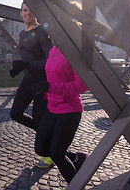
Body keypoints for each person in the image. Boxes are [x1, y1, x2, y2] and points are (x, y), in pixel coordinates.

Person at [34, 40, 88, 183]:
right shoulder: (53, 50)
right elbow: (52, 77)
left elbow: (82, 85)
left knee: (57, 155)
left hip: (69, 110)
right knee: (40, 148)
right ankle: (79, 158)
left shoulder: (73, 52)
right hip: (52, 108)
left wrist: (51, 88)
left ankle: (76, 185)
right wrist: (42, 91)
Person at [9, 2, 54, 168]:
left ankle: (48, 156)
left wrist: (27, 66)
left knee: (39, 118)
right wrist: (19, 68)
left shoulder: (41, 31)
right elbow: (29, 57)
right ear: (20, 13)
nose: (28, 13)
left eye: (31, 10)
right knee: (15, 113)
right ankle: (49, 136)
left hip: (42, 82)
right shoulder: (21, 34)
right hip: (27, 81)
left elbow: (50, 59)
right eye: (25, 10)